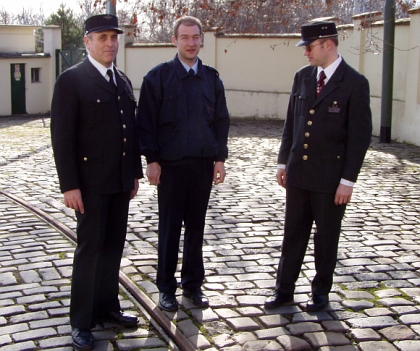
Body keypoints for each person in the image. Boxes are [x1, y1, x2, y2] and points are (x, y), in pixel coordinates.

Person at [265, 21, 372, 312]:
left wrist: (347, 181)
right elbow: (292, 123)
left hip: (330, 178)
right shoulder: (302, 77)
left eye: (309, 47)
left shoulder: (354, 83)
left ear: (328, 44)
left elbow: (359, 138)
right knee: (293, 235)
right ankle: (283, 290)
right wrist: (282, 161)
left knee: (326, 238)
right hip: (298, 173)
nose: (306, 54)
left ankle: (320, 293)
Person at [50, 14, 143, 350]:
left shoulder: (122, 80)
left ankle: (107, 308)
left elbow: (128, 132)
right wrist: (68, 185)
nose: (110, 43)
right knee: (90, 250)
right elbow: (62, 137)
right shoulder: (72, 80)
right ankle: (81, 320)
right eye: (102, 37)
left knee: (113, 247)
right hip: (89, 185)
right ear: (87, 42)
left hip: (119, 182)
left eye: (113, 38)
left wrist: (134, 172)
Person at [136, 16, 230, 312]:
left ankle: (192, 285)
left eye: (195, 37)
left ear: (202, 40)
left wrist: (220, 159)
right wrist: (151, 160)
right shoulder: (158, 78)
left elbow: (221, 121)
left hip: (202, 167)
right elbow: (146, 123)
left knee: (196, 229)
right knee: (169, 229)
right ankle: (166, 287)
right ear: (174, 40)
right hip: (171, 168)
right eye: (185, 37)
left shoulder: (212, 79)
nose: (191, 43)